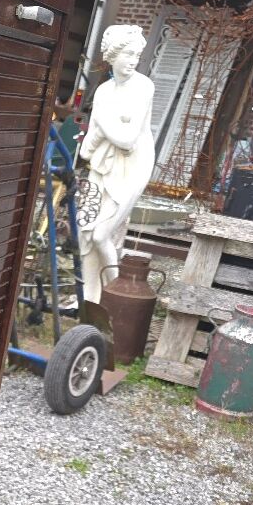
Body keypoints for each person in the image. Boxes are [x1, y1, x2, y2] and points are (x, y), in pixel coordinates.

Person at [78, 25, 155, 303]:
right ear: (113, 56)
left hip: (132, 168)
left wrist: (102, 124)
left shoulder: (143, 87)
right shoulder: (103, 92)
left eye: (137, 54)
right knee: (86, 237)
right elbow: (87, 150)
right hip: (102, 168)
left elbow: (127, 140)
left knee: (102, 235)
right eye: (128, 54)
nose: (133, 60)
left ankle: (116, 297)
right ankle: (89, 300)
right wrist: (107, 127)